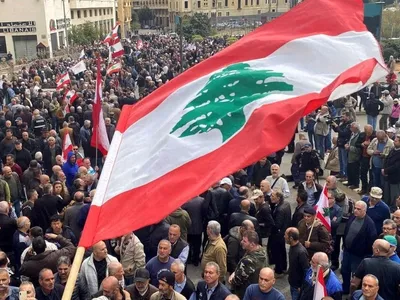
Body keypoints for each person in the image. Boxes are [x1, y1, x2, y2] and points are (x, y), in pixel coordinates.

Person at [341, 201, 377, 295]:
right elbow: (347, 230)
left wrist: (365, 254)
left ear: (364, 210)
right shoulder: (352, 217)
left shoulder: (369, 224)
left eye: (358, 209)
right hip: (347, 251)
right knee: (344, 270)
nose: (355, 211)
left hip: (358, 256)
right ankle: (345, 289)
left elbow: (371, 242)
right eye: (355, 208)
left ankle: (355, 293)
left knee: (356, 275)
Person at [228, 231, 267, 298]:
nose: (241, 242)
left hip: (244, 293)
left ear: (252, 244)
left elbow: (236, 281)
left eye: (244, 241)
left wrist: (231, 279)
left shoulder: (248, 261)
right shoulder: (262, 251)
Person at [268, 190, 291, 276]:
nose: (271, 197)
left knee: (277, 252)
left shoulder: (280, 209)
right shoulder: (286, 204)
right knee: (282, 251)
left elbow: (277, 224)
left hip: (278, 234)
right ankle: (283, 267)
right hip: (283, 232)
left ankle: (279, 270)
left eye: (273, 196)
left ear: (278, 198)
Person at [285, 227, 309, 300]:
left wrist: (301, 286)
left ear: (291, 238)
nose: (284, 237)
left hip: (297, 287)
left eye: (285, 235)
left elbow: (306, 270)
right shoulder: (292, 247)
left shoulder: (301, 252)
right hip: (293, 283)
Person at [382, 135, 400, 212]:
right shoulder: (393, 149)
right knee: (387, 192)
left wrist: (386, 170)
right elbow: (387, 159)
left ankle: (393, 208)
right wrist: (384, 169)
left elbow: (396, 166)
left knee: (394, 194)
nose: (394, 142)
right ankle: (387, 205)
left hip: (395, 177)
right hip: (388, 176)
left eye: (396, 141)